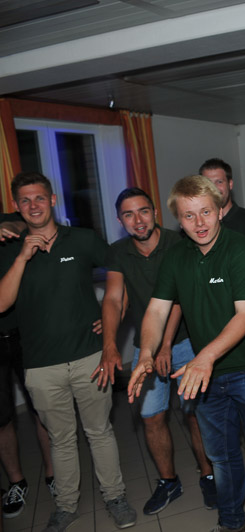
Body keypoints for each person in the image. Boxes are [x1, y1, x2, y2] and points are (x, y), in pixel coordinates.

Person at [128, 175, 245, 532]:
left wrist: (204, 357)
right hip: (207, 376)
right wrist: (145, 353)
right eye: (189, 215)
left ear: (219, 211)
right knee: (221, 457)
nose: (199, 223)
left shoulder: (240, 249)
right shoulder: (177, 256)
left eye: (205, 212)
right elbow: (156, 310)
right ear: (178, 219)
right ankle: (231, 523)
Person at [0, 172, 137, 532]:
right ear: (16, 206)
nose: (33, 205)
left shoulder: (82, 239)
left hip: (90, 356)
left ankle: (115, 497)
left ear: (52, 200)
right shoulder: (10, 248)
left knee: (99, 431)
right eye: (25, 200)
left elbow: (121, 272)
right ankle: (65, 506)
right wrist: (22, 257)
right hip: (40, 365)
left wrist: (116, 315)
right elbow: (2, 303)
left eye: (39, 198)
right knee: (60, 440)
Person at [100, 187, 215, 515]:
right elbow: (114, 298)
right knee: (151, 416)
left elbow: (178, 296)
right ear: (120, 220)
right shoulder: (118, 252)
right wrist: (110, 345)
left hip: (187, 341)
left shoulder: (180, 243)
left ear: (155, 213)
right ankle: (168, 481)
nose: (138, 220)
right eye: (128, 214)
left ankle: (208, 475)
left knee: (194, 413)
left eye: (143, 211)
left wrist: (166, 345)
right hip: (145, 347)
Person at [0, 213, 54, 519]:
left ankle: (53, 474)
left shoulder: (10, 220)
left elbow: (28, 225)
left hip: (25, 333)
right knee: (1, 417)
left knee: (41, 407)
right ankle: (16, 482)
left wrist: (10, 228)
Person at [199, 158, 245, 247]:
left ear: (230, 184)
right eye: (208, 183)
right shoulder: (199, 224)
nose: (214, 189)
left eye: (219, 182)